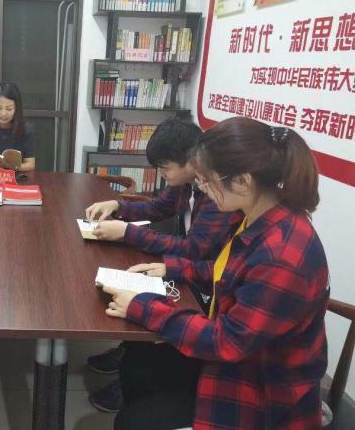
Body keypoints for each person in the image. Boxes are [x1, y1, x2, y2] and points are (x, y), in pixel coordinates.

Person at [103, 117, 328, 429]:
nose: (204, 191)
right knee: (140, 365)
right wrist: (172, 270)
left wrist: (144, 306)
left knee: (135, 420)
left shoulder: (282, 253)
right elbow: (226, 272)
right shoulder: (256, 217)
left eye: (208, 182)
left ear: (243, 181)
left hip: (260, 395)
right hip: (241, 360)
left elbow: (226, 342)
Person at [83, 117, 242, 413]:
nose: (161, 174)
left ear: (192, 161)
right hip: (192, 270)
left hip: (205, 287)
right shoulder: (186, 183)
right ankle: (127, 353)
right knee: (132, 280)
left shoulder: (216, 193)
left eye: (165, 167)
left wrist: (127, 233)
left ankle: (133, 371)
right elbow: (157, 207)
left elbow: (194, 250)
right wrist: (118, 206)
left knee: (142, 296)